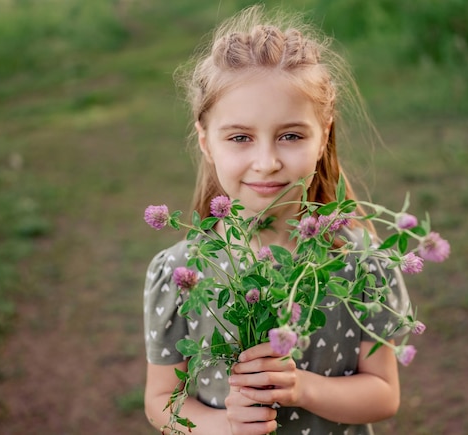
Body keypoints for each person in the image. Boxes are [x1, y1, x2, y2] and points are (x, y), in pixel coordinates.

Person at [143, 5, 411, 435]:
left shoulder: (362, 263)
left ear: (323, 135)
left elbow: (383, 393)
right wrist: (225, 426)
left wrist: (302, 387)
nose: (266, 163)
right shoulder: (179, 273)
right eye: (240, 138)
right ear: (206, 141)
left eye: (290, 136)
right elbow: (161, 400)